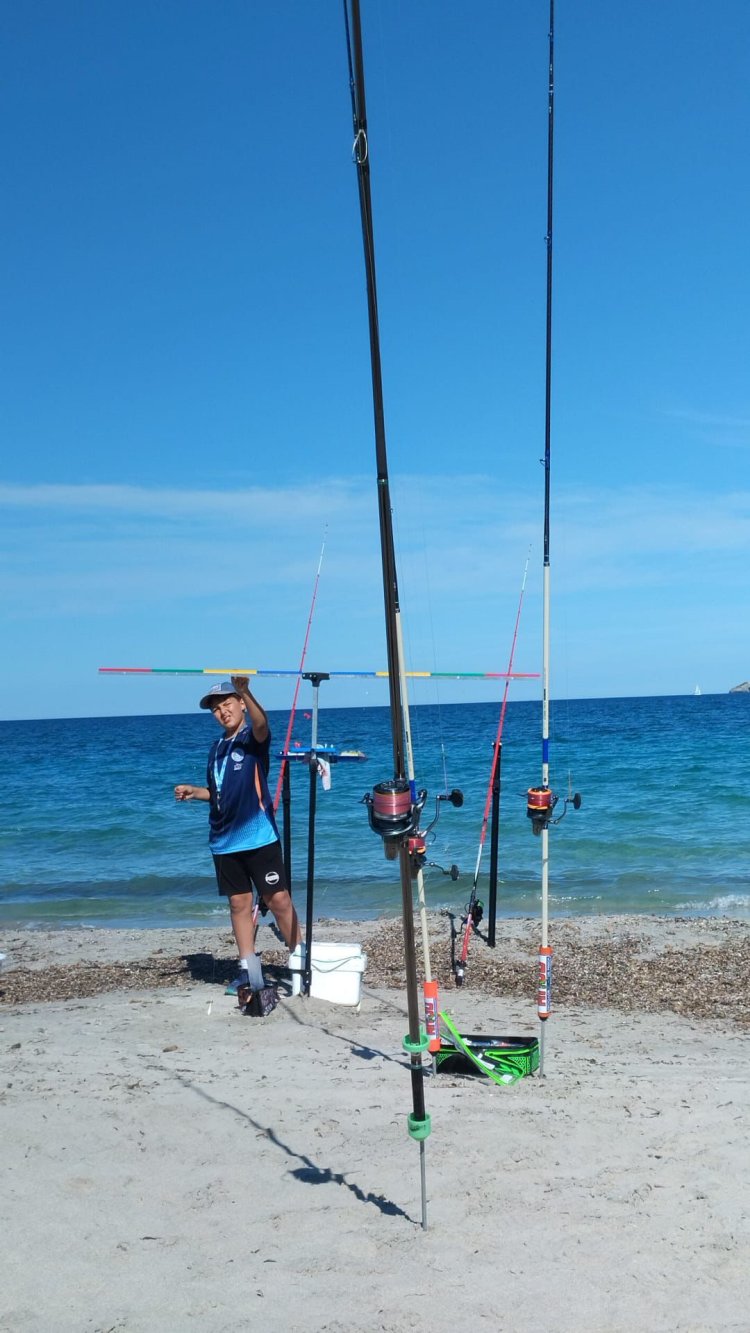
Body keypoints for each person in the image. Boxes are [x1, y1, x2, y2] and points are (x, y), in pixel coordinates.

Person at [174, 676, 301, 995]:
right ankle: (248, 970)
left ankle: (301, 961)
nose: (222, 711)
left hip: (259, 837)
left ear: (241, 704)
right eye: (216, 709)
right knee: (238, 904)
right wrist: (195, 792)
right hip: (223, 840)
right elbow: (217, 792)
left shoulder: (252, 739)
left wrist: (245, 690)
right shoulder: (216, 748)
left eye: (227, 704)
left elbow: (262, 724)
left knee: (279, 899)